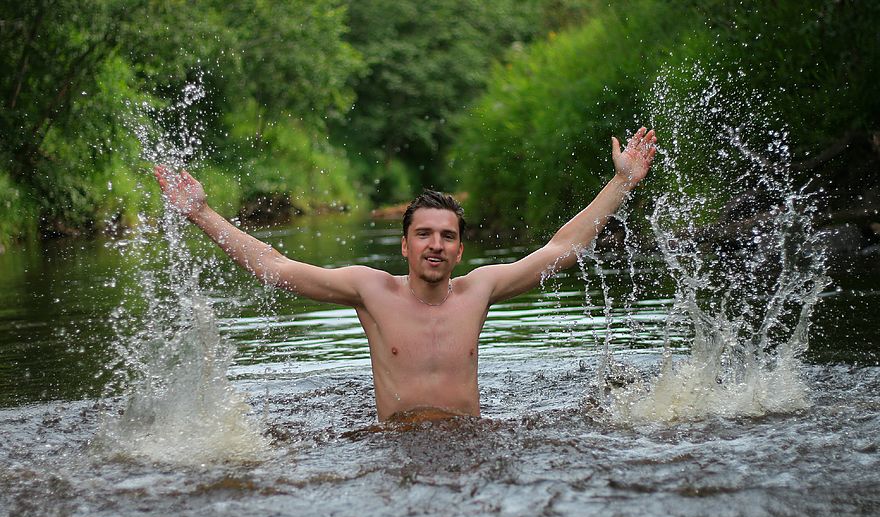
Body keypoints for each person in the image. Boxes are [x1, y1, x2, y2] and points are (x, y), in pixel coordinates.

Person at [154, 127, 657, 422]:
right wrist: (202, 215)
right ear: (404, 244)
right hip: (393, 449)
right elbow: (278, 268)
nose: (435, 244)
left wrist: (621, 182)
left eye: (447, 236)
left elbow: (562, 248)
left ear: (460, 250)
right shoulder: (370, 291)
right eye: (423, 234)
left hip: (470, 446)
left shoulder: (479, 290)